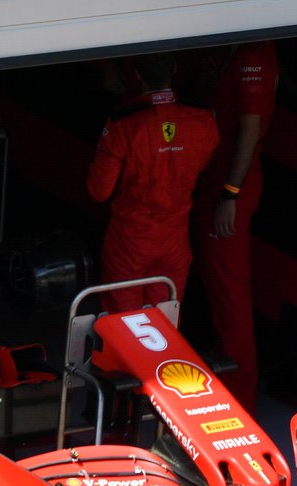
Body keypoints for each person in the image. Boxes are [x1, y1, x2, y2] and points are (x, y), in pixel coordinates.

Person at [86, 52, 219, 313]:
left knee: (124, 327)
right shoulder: (202, 120)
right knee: (165, 327)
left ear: (136, 73)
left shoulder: (124, 124)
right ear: (174, 69)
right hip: (175, 241)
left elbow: (98, 191)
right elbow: (203, 166)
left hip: (130, 241)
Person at [190, 41, 280, 415]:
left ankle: (240, 403)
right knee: (214, 290)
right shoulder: (240, 51)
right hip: (216, 185)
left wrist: (230, 193)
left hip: (228, 192)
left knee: (230, 298)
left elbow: (250, 129)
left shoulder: (252, 57)